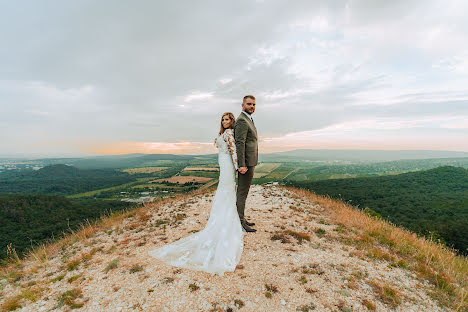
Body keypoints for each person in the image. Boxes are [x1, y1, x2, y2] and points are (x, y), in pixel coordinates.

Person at [148, 112, 245, 276]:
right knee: (224, 189)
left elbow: (234, 151)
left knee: (226, 189)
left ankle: (226, 219)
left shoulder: (229, 133)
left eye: (227, 119)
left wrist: (238, 167)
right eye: (223, 119)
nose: (224, 121)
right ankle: (224, 217)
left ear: (232, 121)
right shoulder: (223, 133)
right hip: (223, 164)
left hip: (228, 164)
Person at [234, 95, 258, 233]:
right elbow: (240, 143)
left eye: (254, 104)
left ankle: (241, 217)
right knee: (242, 192)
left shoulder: (248, 119)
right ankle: (240, 221)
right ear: (242, 105)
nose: (252, 107)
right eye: (249, 104)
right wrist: (241, 164)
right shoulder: (242, 121)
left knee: (244, 191)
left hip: (250, 161)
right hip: (246, 164)